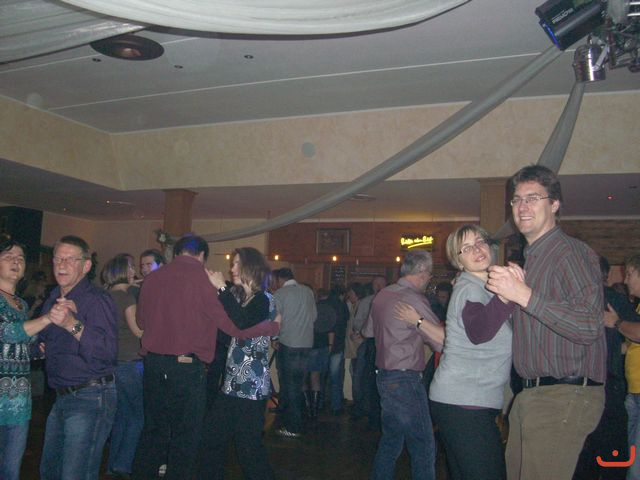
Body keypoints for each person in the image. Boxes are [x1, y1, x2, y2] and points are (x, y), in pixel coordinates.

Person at [486, 165, 606, 480]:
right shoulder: (533, 259)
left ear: (554, 204)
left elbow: (589, 326)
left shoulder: (568, 253)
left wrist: (524, 295)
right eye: (516, 199)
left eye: (533, 198)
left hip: (562, 396)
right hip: (532, 394)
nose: (522, 206)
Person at [131, 235, 279, 480]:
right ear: (201, 255)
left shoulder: (153, 278)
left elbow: (141, 321)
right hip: (192, 370)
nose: (231, 269)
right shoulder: (208, 283)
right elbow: (232, 328)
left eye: (236, 264)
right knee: (188, 435)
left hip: (159, 366)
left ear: (175, 253)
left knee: (155, 430)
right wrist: (271, 328)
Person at [397, 225, 517, 480]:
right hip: (464, 401)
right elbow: (479, 331)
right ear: (458, 261)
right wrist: (509, 295)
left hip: (467, 400)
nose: (477, 249)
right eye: (466, 247)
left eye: (480, 242)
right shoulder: (469, 288)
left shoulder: (484, 289)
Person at [38, 235, 119, 480]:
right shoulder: (54, 297)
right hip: (61, 396)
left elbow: (107, 354)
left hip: (90, 396)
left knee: (75, 474)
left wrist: (72, 324)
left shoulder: (96, 299)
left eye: (70, 259)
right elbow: (42, 341)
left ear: (86, 265)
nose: (61, 265)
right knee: (50, 472)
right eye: (57, 259)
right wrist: (39, 346)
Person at [199, 247, 278, 480]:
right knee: (211, 439)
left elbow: (242, 323)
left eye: (235, 264)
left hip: (250, 388)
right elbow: (230, 335)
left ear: (249, 267)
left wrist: (222, 289)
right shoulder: (243, 299)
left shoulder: (263, 299)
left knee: (249, 450)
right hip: (232, 385)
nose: (231, 268)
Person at [365, 250, 444, 480]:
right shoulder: (414, 298)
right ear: (422, 272)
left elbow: (368, 332)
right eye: (430, 275)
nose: (429, 280)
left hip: (384, 377)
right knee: (424, 444)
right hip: (405, 379)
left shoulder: (382, 295)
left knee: (391, 441)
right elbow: (440, 342)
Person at [573, 256, 638, 480]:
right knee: (612, 456)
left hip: (578, 386)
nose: (625, 280)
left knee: (584, 454)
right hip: (607, 386)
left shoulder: (573, 300)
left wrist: (616, 327)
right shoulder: (612, 298)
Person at [0, 239, 52, 480]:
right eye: (8, 256)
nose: (16, 261)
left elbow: (22, 345)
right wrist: (47, 318)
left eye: (20, 258)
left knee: (11, 470)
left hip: (18, 399)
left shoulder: (21, 304)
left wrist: (39, 348)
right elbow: (8, 332)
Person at [102, 255, 144, 478]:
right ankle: (123, 464)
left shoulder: (106, 296)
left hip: (112, 361)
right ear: (122, 271)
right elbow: (138, 331)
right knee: (137, 415)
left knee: (121, 415)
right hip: (131, 362)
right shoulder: (126, 298)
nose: (134, 271)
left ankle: (112, 465)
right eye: (131, 267)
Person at [603, 254, 640, 480]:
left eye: (630, 274)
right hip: (633, 393)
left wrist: (616, 322)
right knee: (628, 459)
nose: (625, 281)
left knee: (636, 469)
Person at [272, 268, 316, 438]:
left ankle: (293, 426)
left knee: (289, 385)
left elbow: (275, 320)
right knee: (298, 384)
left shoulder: (280, 294)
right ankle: (294, 420)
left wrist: (275, 338)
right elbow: (314, 316)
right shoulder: (308, 292)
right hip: (306, 344)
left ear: (279, 279)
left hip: (289, 343)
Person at [326, 284, 350, 415]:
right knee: (336, 377)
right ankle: (336, 405)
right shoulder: (342, 306)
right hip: (338, 344)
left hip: (323, 344)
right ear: (342, 294)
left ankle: (321, 403)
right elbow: (345, 322)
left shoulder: (324, 304)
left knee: (321, 375)